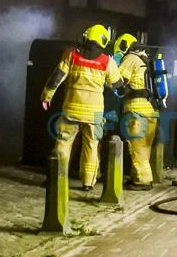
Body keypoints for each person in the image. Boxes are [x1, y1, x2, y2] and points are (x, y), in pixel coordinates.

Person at [42, 24, 123, 192]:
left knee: (63, 143)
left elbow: (57, 77)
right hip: (94, 113)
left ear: (86, 37)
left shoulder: (71, 54)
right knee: (92, 146)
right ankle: (88, 182)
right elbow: (119, 85)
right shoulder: (107, 62)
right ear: (103, 41)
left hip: (71, 108)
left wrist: (46, 97)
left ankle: (56, 178)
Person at [115, 33, 159, 191]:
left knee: (137, 147)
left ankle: (143, 181)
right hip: (152, 110)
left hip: (137, 111)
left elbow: (118, 82)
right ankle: (137, 177)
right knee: (145, 147)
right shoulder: (147, 59)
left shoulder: (130, 59)